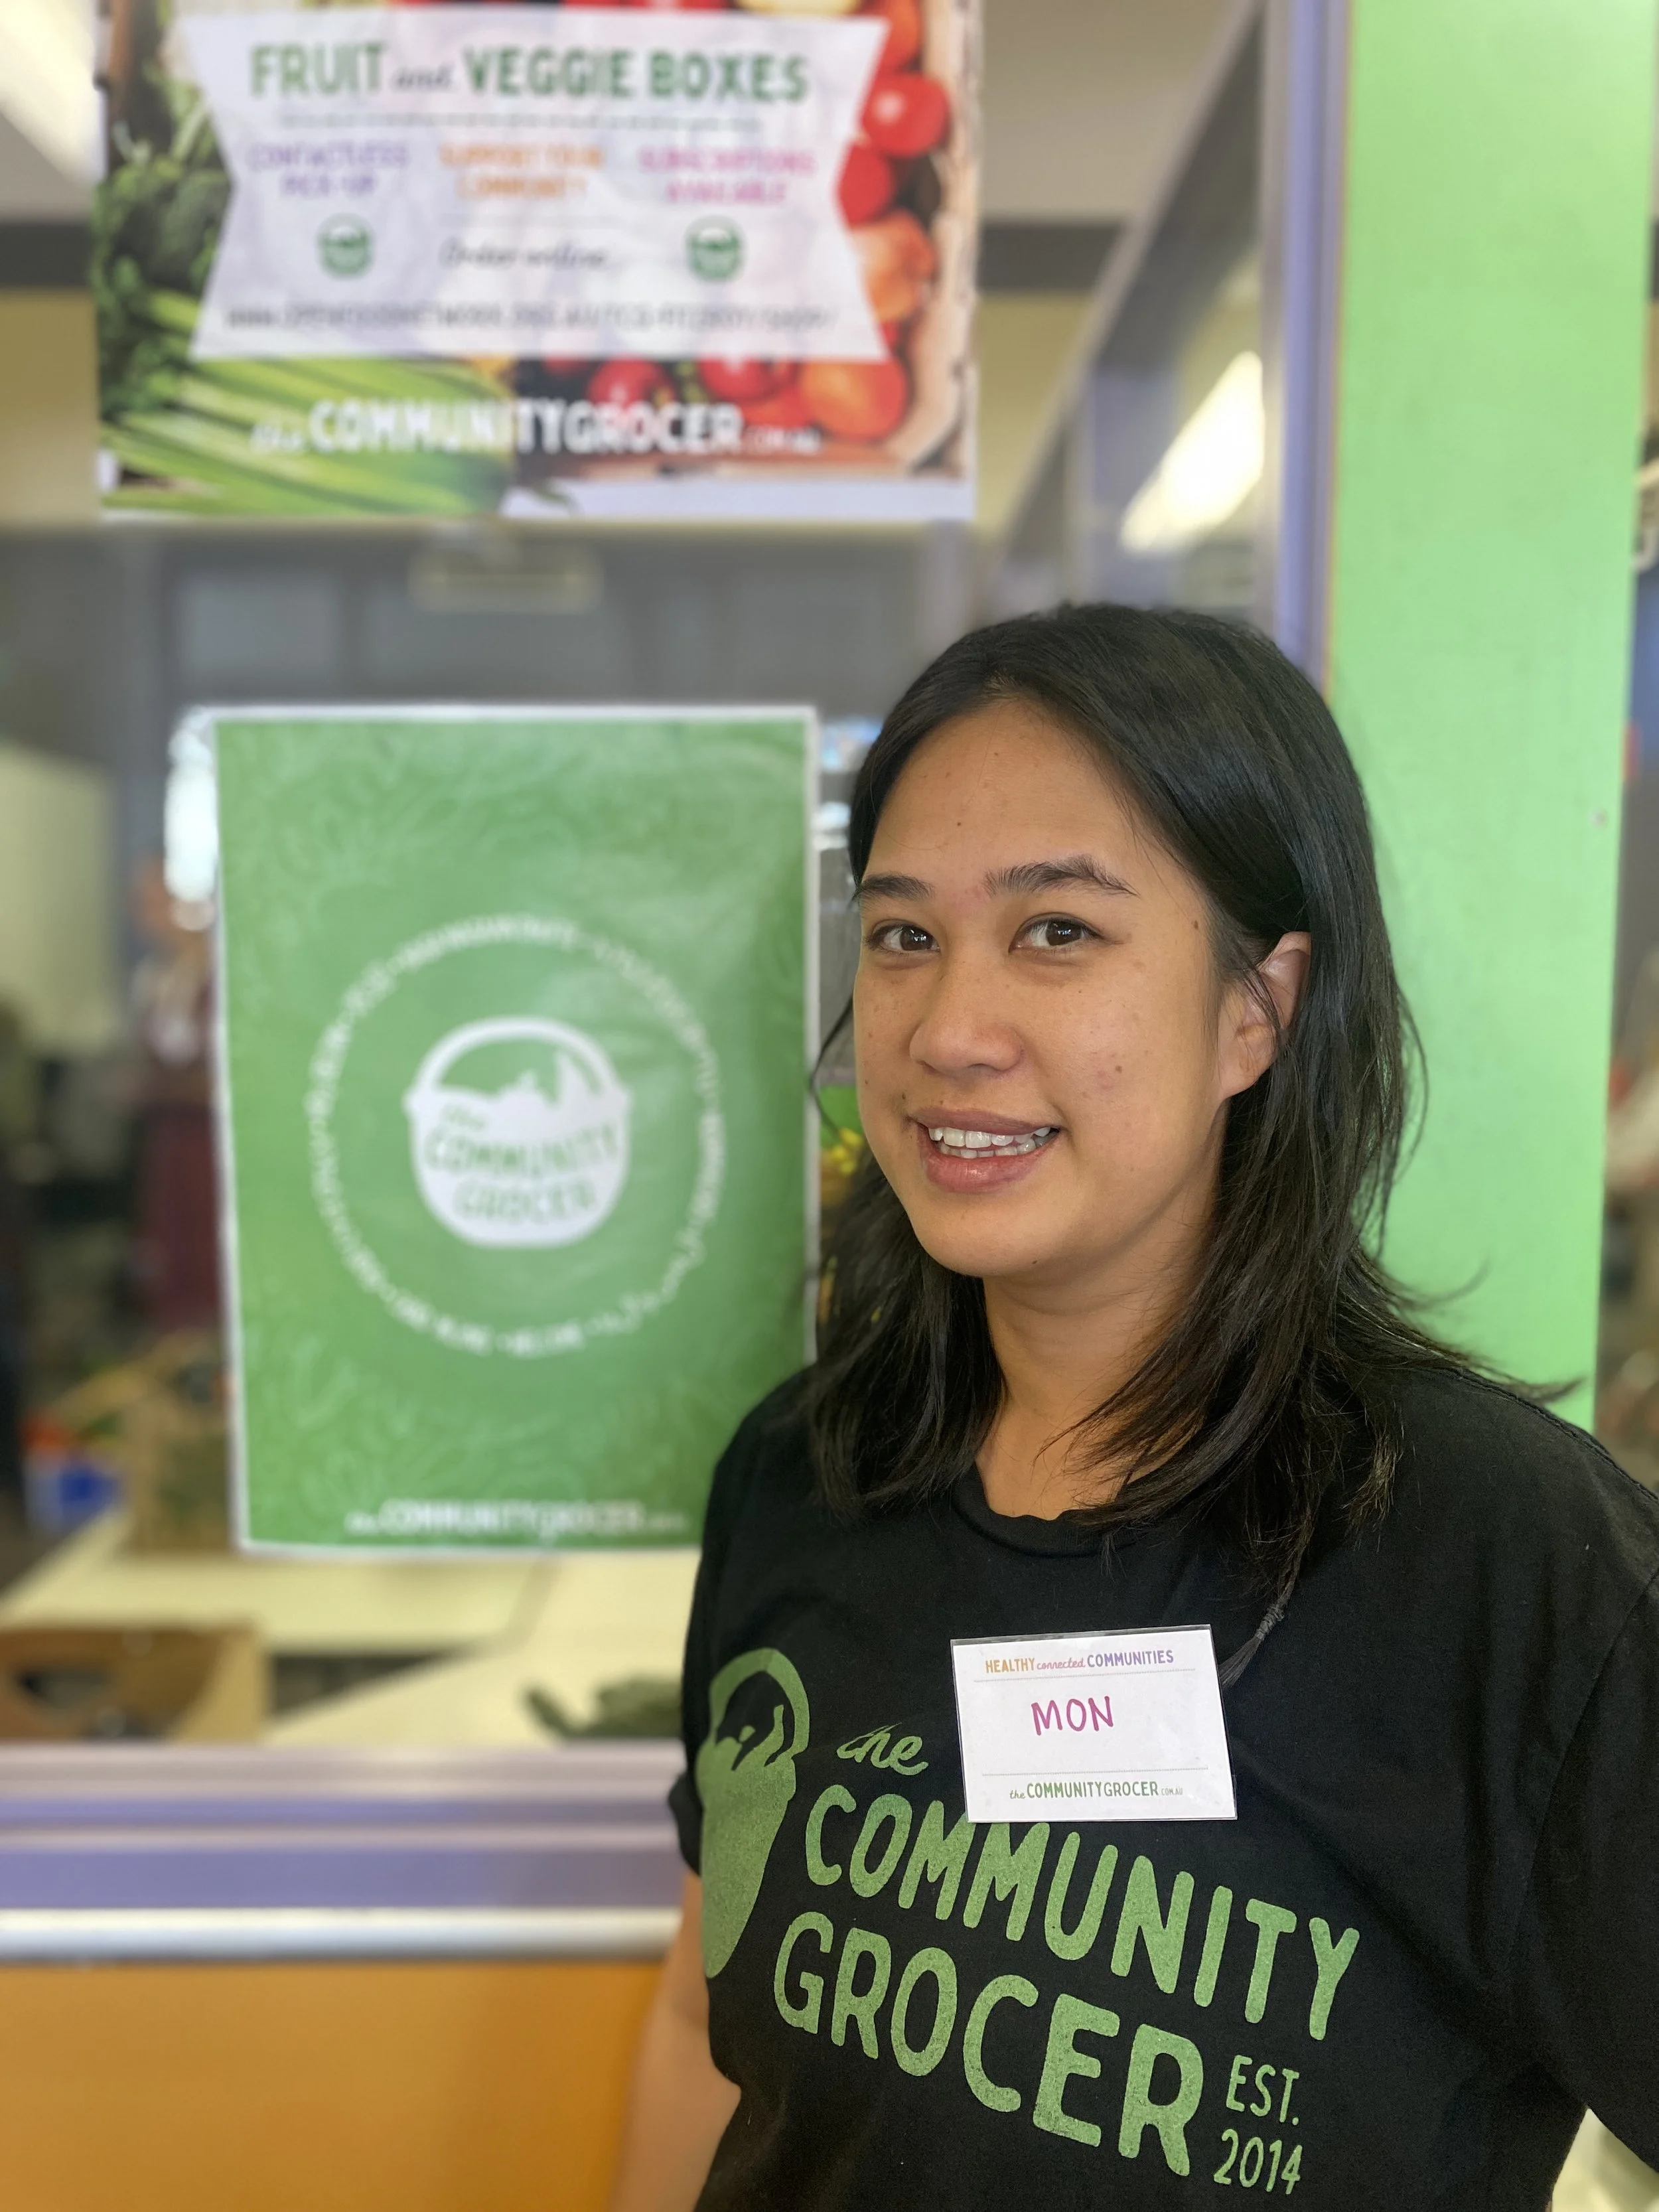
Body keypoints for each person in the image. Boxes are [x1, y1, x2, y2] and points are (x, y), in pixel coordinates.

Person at [609, 605, 1659, 2211]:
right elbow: (703, 2022)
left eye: (1055, 931)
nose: (947, 1031)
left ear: (1257, 1007)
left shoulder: (1511, 1565)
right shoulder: (802, 1471)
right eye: (901, 936)